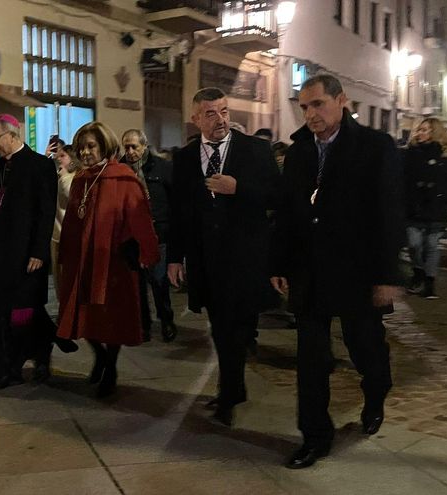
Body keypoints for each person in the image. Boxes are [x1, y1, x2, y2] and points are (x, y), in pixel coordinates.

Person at [271, 74, 404, 469]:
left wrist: (386, 275)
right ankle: (315, 436)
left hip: (358, 271)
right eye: (304, 106)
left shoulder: (374, 147)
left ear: (341, 100)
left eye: (318, 105)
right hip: (309, 271)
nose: (310, 114)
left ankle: (376, 393)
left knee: (365, 348)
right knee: (311, 359)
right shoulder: (298, 153)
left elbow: (389, 213)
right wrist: (278, 263)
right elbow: (287, 214)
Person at [167, 87, 279, 427]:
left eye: (225, 111)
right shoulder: (185, 158)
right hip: (207, 260)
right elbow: (179, 213)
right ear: (196, 118)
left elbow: (278, 196)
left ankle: (231, 390)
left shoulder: (255, 150)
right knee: (222, 328)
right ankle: (233, 389)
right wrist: (175, 257)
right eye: (212, 113)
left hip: (245, 258)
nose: (221, 119)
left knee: (237, 328)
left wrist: (238, 189)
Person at [55, 123, 159, 397]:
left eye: (91, 146)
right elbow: (72, 223)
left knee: (112, 319)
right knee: (81, 313)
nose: (85, 152)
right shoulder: (80, 179)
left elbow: (140, 218)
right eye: (81, 148)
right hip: (83, 259)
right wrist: (66, 251)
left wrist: (147, 252)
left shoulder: (123, 178)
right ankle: (99, 356)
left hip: (114, 261)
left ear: (103, 145)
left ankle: (110, 367)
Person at [0, 114, 56, 389]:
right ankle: (8, 365)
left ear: (13, 135)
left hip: (27, 257)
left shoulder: (40, 166)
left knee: (24, 314)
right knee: (3, 313)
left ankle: (33, 358)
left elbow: (46, 212)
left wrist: (38, 251)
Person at [121, 129, 177, 343]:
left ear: (144, 145)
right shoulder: (121, 169)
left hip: (157, 233)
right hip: (131, 236)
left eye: (134, 146)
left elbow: (173, 200)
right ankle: (142, 324)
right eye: (126, 146)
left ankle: (166, 319)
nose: (130, 151)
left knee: (159, 281)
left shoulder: (162, 168)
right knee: (137, 285)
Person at [403, 117, 447, 299]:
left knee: (432, 246)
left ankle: (429, 284)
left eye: (425, 130)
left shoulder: (445, 157)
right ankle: (418, 272)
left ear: (435, 132)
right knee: (414, 244)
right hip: (414, 209)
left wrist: (445, 197)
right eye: (420, 129)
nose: (420, 133)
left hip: (436, 210)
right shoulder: (409, 154)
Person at [51, 145, 80, 302]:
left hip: (67, 237)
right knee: (58, 281)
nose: (58, 158)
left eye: (62, 156)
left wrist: (64, 177)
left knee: (66, 280)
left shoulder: (74, 178)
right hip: (57, 235)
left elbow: (71, 197)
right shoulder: (61, 176)